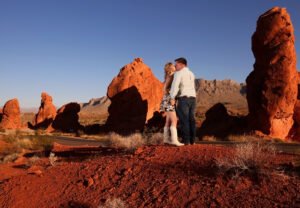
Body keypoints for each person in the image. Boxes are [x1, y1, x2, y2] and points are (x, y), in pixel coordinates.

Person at [169, 57, 196, 145]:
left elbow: (175, 86)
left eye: (176, 64)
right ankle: (192, 141)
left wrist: (172, 97)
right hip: (193, 98)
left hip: (184, 99)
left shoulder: (178, 73)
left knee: (184, 119)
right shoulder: (192, 73)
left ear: (181, 65)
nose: (174, 66)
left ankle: (186, 141)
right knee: (191, 119)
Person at [159, 62, 184, 146]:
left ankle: (166, 140)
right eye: (173, 66)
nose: (175, 66)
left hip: (167, 100)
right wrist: (171, 97)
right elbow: (165, 89)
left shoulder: (168, 76)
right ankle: (174, 140)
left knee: (168, 120)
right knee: (174, 120)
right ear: (171, 68)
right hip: (169, 100)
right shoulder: (171, 76)